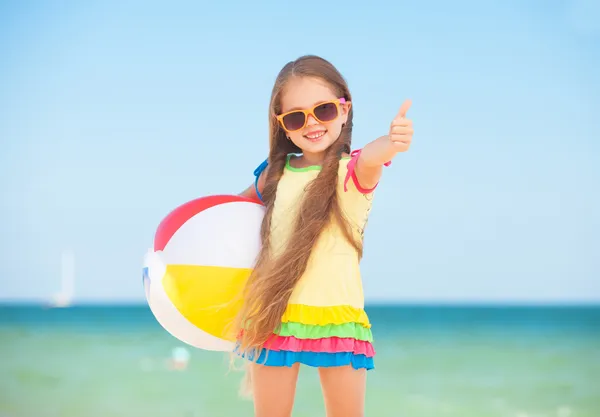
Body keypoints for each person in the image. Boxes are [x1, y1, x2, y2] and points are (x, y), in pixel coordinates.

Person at [236, 55, 414, 417]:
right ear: (283, 125)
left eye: (325, 110)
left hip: (337, 317)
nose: (312, 123)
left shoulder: (352, 172)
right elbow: (225, 214)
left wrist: (393, 143)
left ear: (345, 110)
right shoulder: (274, 175)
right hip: (274, 314)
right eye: (298, 116)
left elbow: (373, 157)